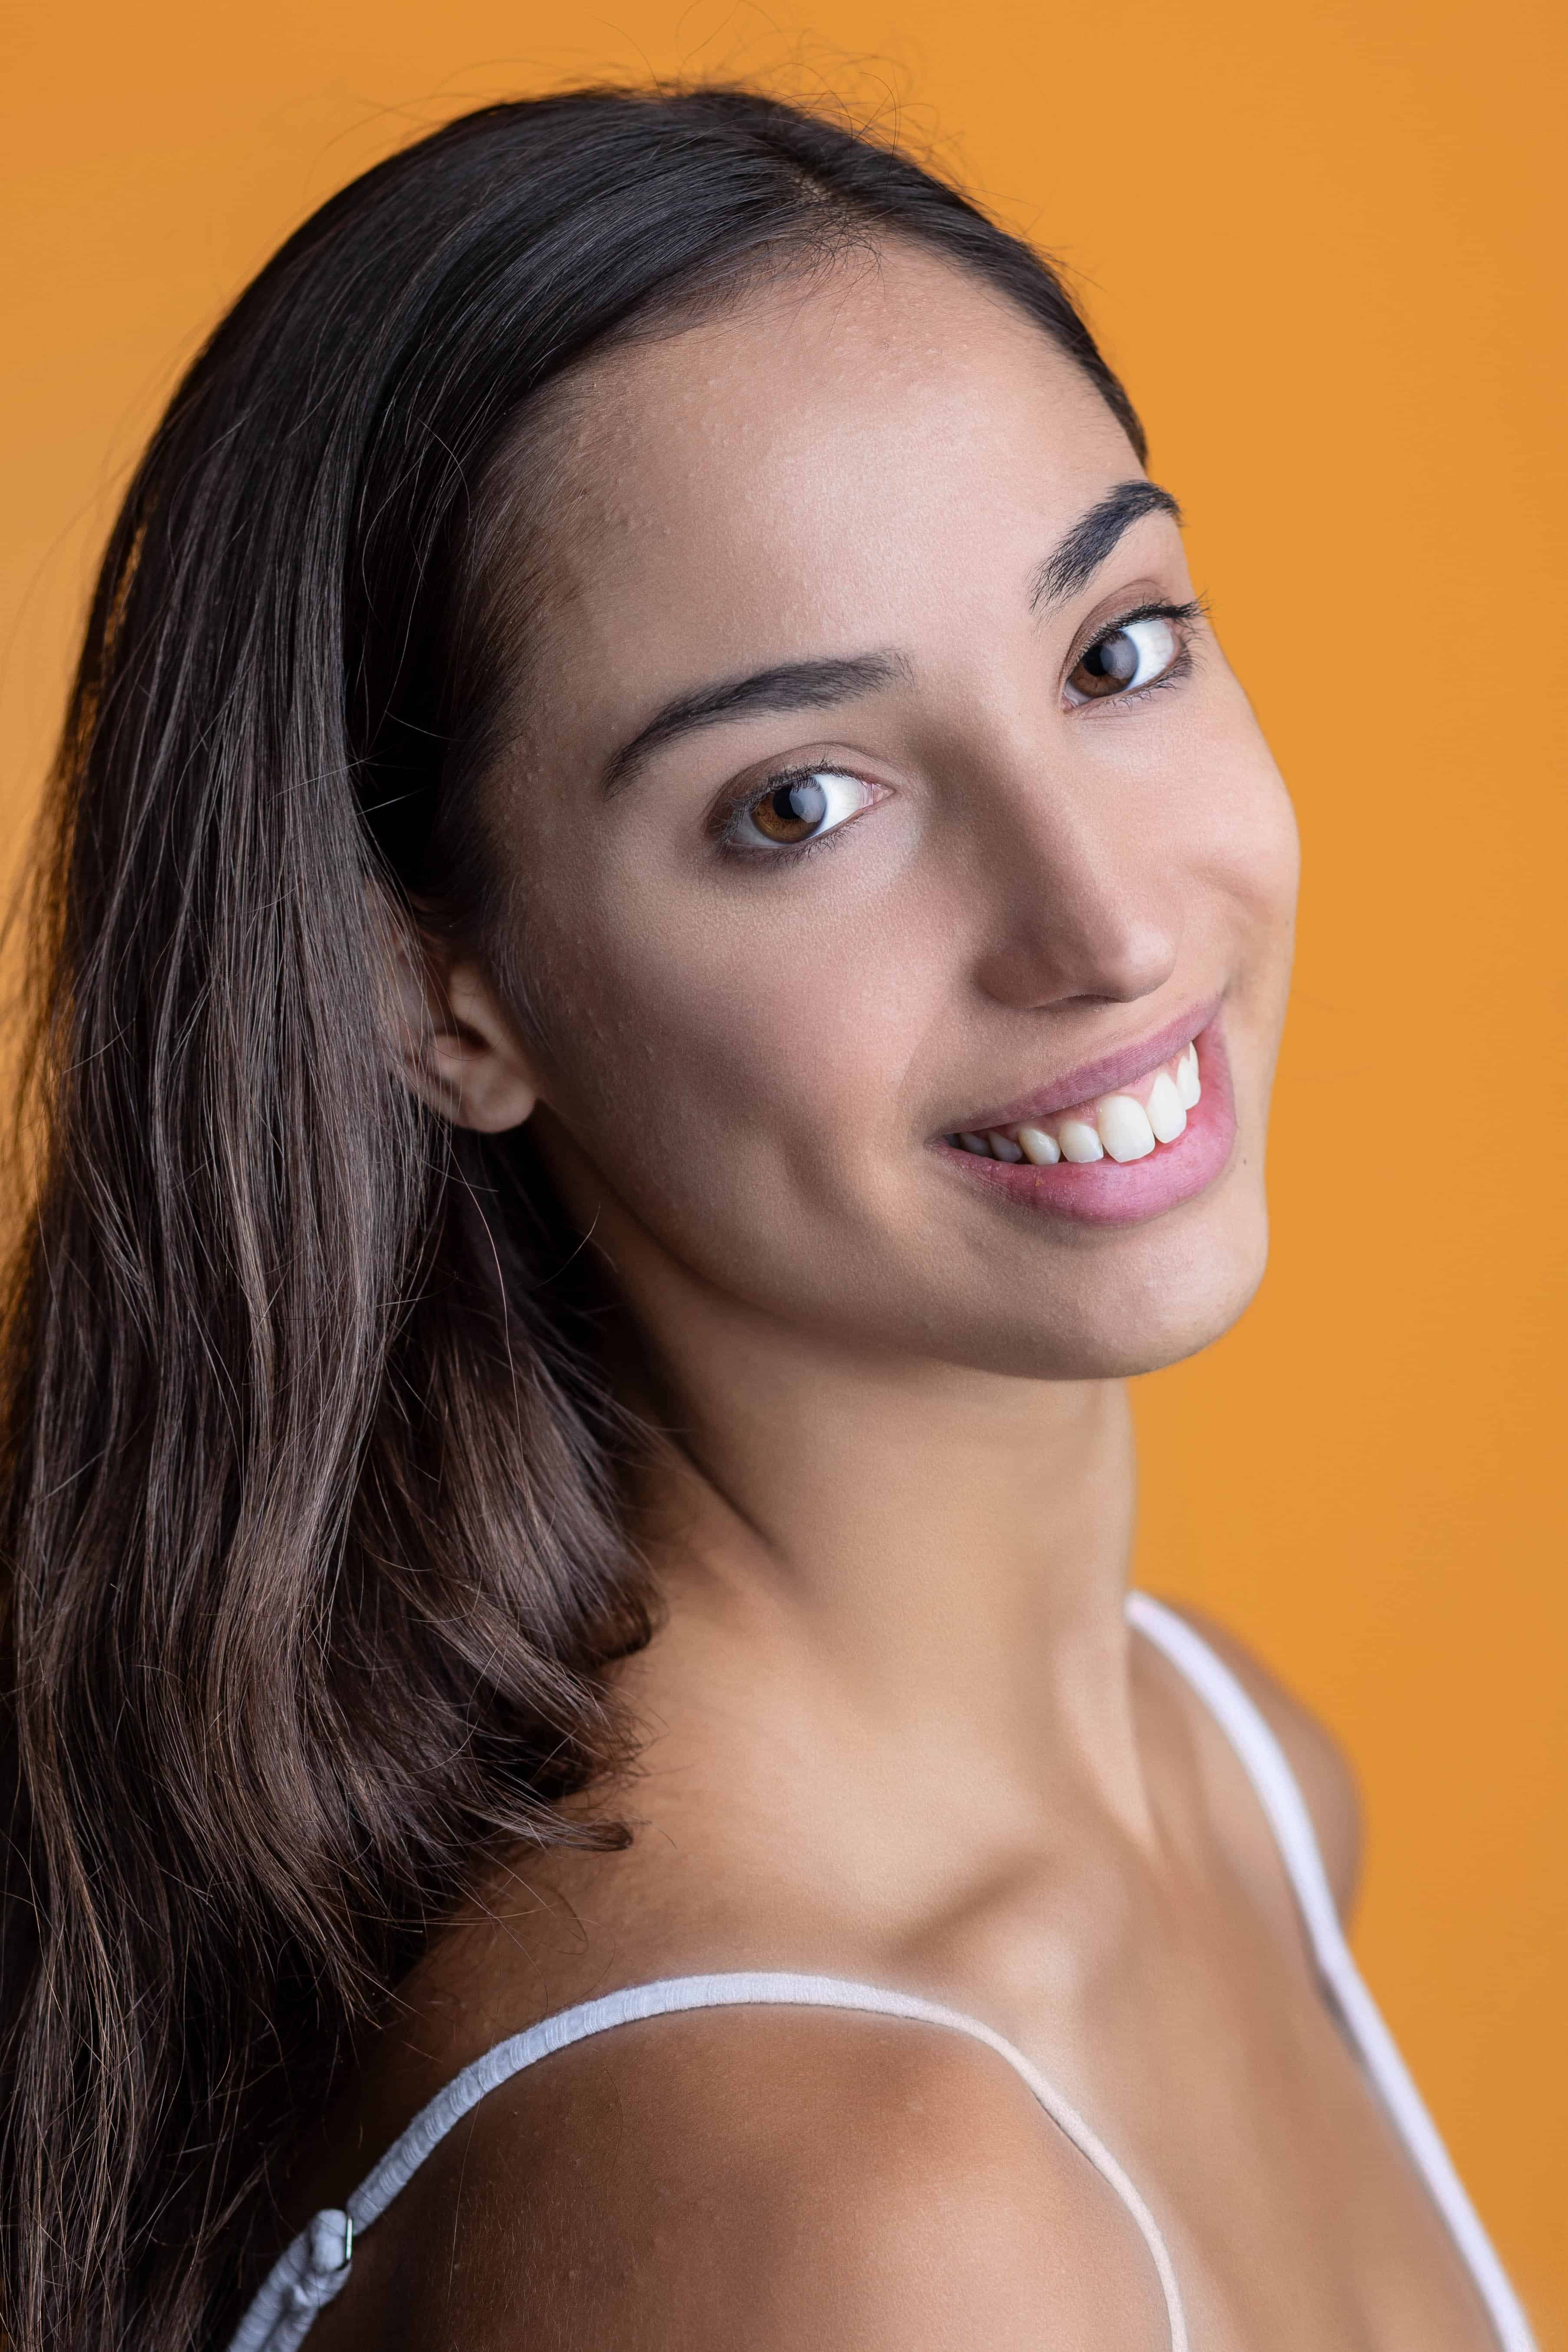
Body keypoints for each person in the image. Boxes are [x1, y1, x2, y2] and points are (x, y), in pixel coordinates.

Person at [0, 84, 1536, 2352]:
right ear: (438, 994)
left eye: (1115, 650)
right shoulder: (850, 2218)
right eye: (802, 802)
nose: (1107, 926)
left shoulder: (1235, 1776)